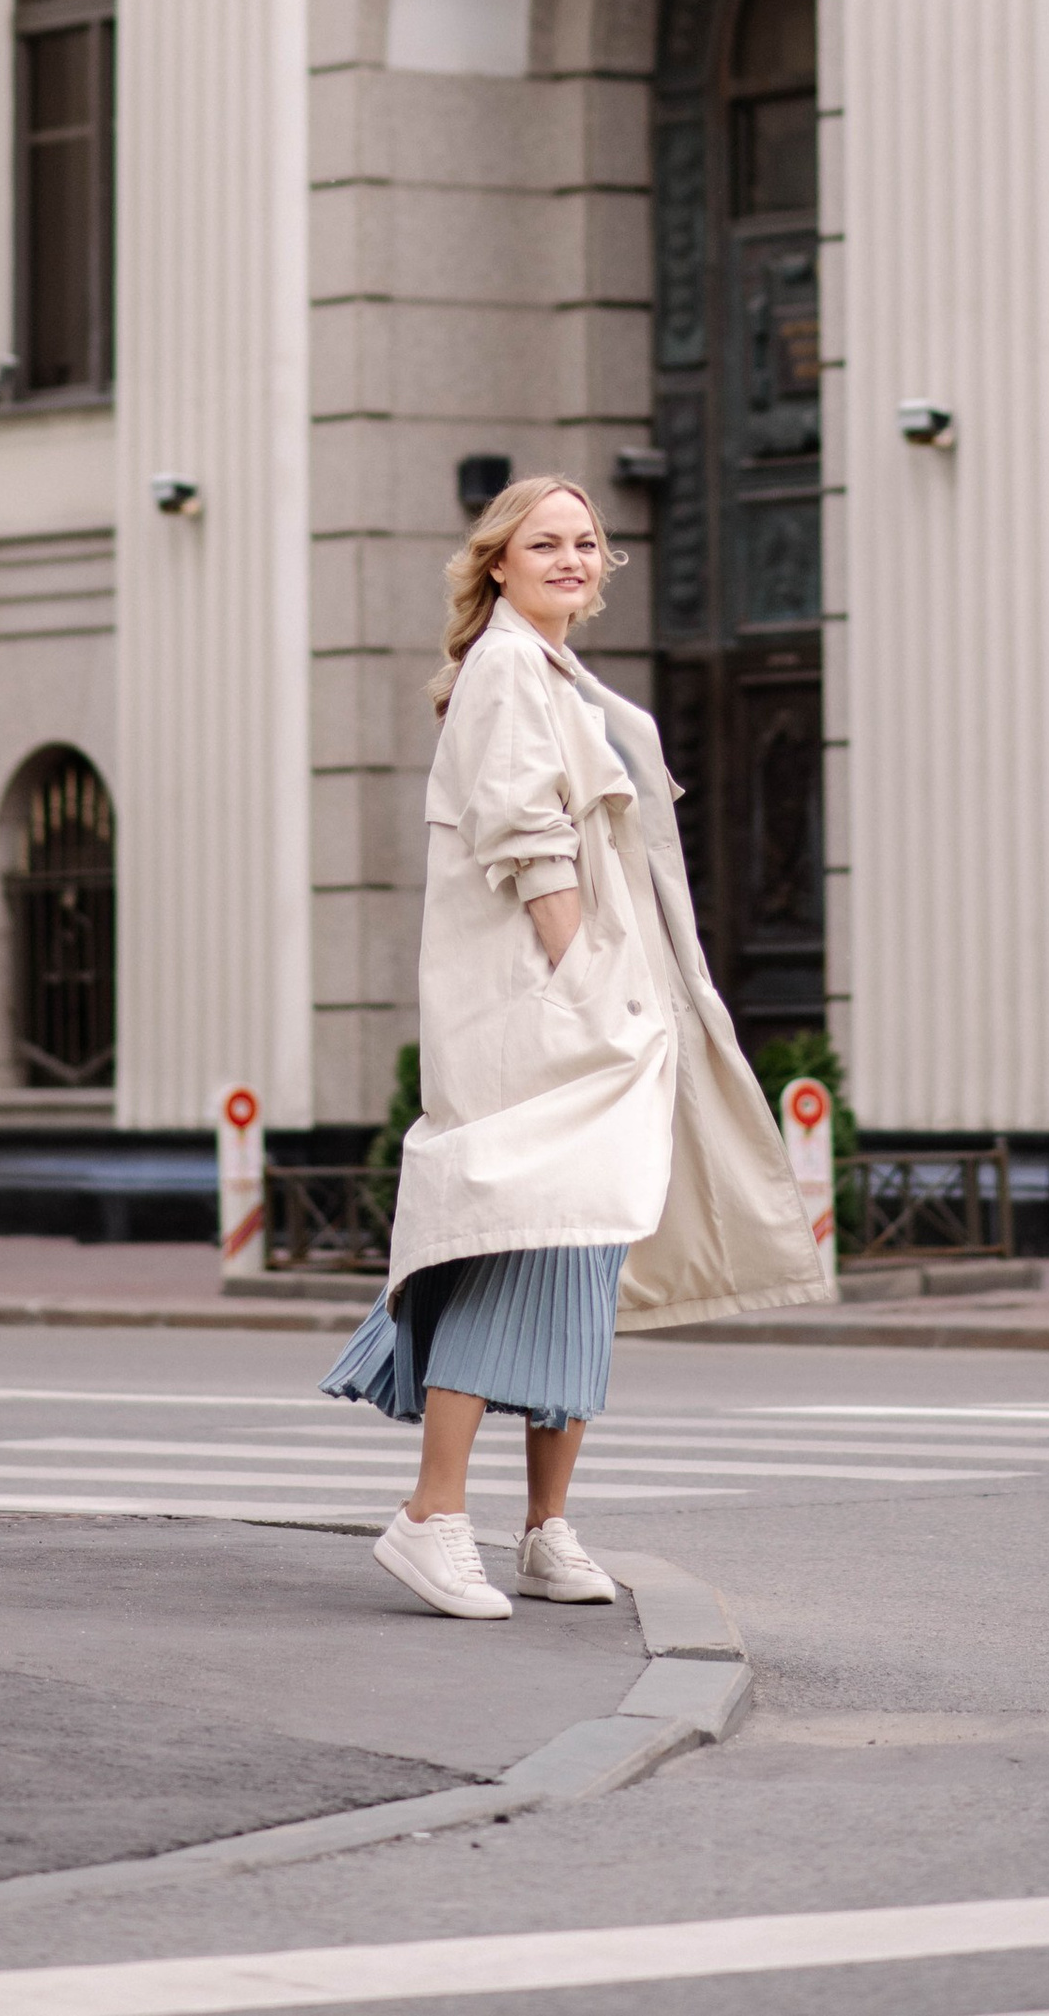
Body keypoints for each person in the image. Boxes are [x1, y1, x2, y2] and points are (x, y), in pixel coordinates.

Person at [325, 472, 828, 1619]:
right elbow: (525, 831)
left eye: (586, 543)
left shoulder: (552, 668)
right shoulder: (505, 666)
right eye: (543, 542)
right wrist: (585, 976)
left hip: (603, 1009)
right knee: (514, 1248)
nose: (569, 557)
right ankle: (431, 1516)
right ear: (496, 562)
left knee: (584, 1260)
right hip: (557, 1015)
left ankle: (547, 1529)